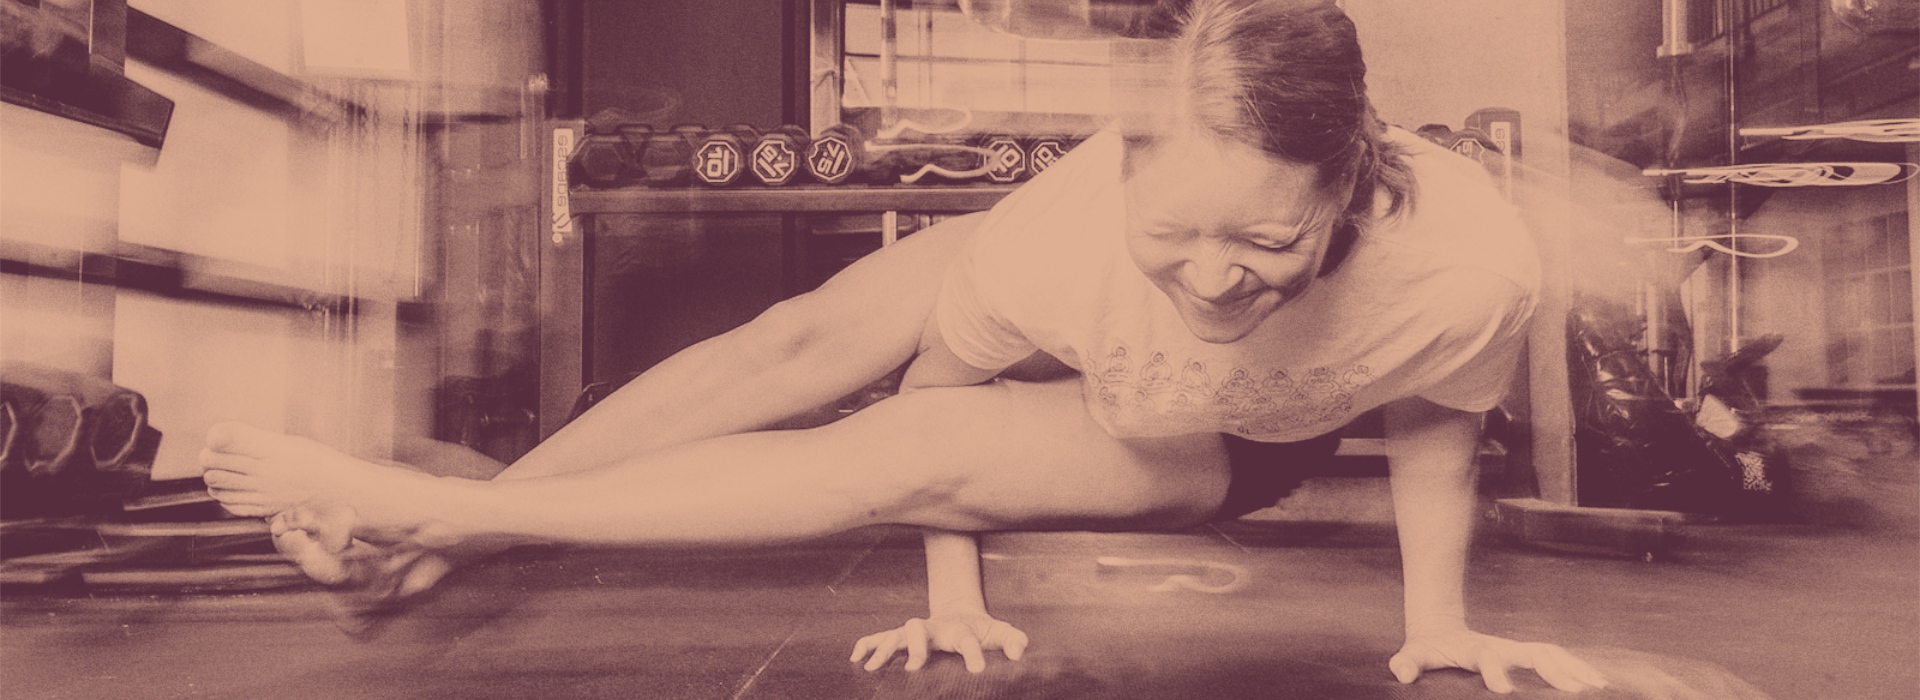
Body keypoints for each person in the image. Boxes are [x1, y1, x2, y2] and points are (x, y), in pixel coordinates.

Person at [198, 0, 1607, 693]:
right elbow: (953, 372)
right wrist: (957, 589)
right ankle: (443, 538)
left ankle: (448, 514)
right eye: (1175, 228)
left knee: (902, 454)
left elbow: (1437, 420)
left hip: (1229, 434)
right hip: (1072, 314)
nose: (1217, 277)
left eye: (1267, 243)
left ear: (1349, 183)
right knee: (806, 342)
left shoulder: (1465, 270)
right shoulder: (1069, 232)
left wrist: (1439, 623)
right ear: (1121, 173)